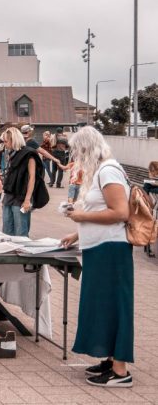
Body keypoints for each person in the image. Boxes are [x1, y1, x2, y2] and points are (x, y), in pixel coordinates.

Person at [60, 126, 133, 388]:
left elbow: (120, 212)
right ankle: (112, 360)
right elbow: (102, 209)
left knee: (113, 306)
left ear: (87, 150)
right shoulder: (102, 171)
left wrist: (81, 217)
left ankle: (121, 371)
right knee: (102, 306)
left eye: (78, 152)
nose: (75, 158)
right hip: (100, 248)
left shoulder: (108, 170)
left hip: (110, 250)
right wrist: (76, 233)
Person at [1, 127, 40, 237]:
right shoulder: (12, 154)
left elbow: (32, 178)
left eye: (6, 141)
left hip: (21, 197)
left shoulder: (29, 154)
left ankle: (22, 252)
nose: (4, 144)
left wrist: (27, 200)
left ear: (14, 140)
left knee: (21, 232)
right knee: (7, 231)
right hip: (9, 195)